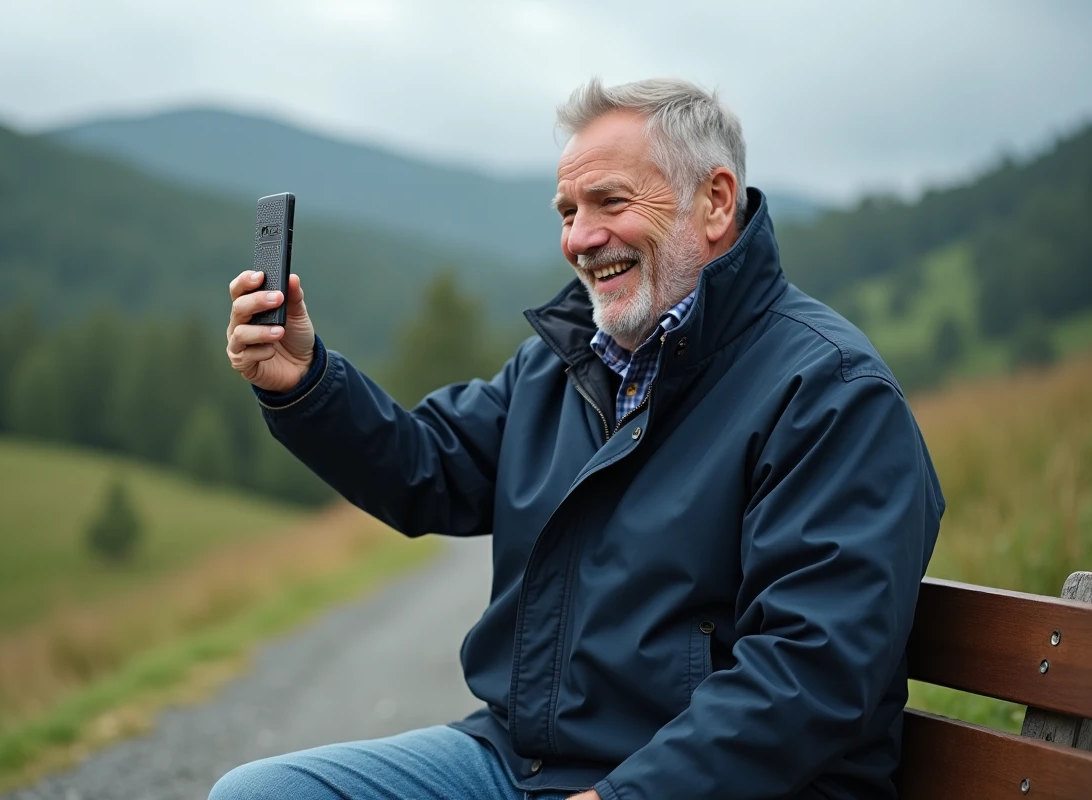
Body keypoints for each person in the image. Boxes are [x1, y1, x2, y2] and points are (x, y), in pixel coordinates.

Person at [215, 77, 944, 800]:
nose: (580, 237)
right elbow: (425, 468)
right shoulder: (566, 363)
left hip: (714, 785)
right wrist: (302, 382)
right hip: (519, 765)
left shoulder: (832, 393)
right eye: (567, 210)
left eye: (610, 202)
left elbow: (807, 675)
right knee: (259, 794)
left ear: (716, 201)